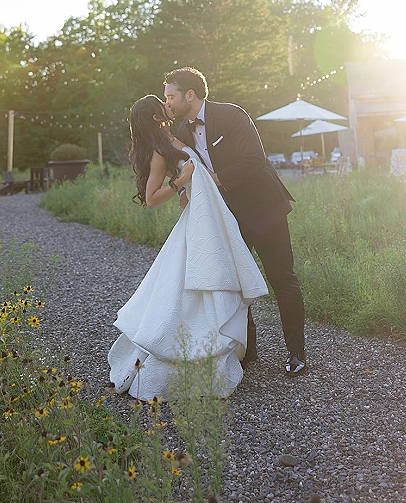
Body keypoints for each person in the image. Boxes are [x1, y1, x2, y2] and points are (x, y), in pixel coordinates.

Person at [107, 94, 268, 401]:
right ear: (157, 117)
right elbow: (152, 199)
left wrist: (187, 186)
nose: (169, 105)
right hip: (196, 222)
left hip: (205, 216)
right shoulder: (158, 151)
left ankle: (222, 349)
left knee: (208, 280)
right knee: (189, 286)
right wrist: (181, 183)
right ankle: (179, 356)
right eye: (163, 102)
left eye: (169, 98)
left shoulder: (175, 138)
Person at [163, 67, 307, 376]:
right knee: (236, 285)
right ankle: (248, 351)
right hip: (226, 217)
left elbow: (255, 159)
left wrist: (215, 179)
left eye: (171, 96)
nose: (168, 103)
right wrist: (187, 192)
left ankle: (297, 353)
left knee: (283, 279)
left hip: (265, 209)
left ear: (190, 95)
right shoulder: (181, 134)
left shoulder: (232, 115)